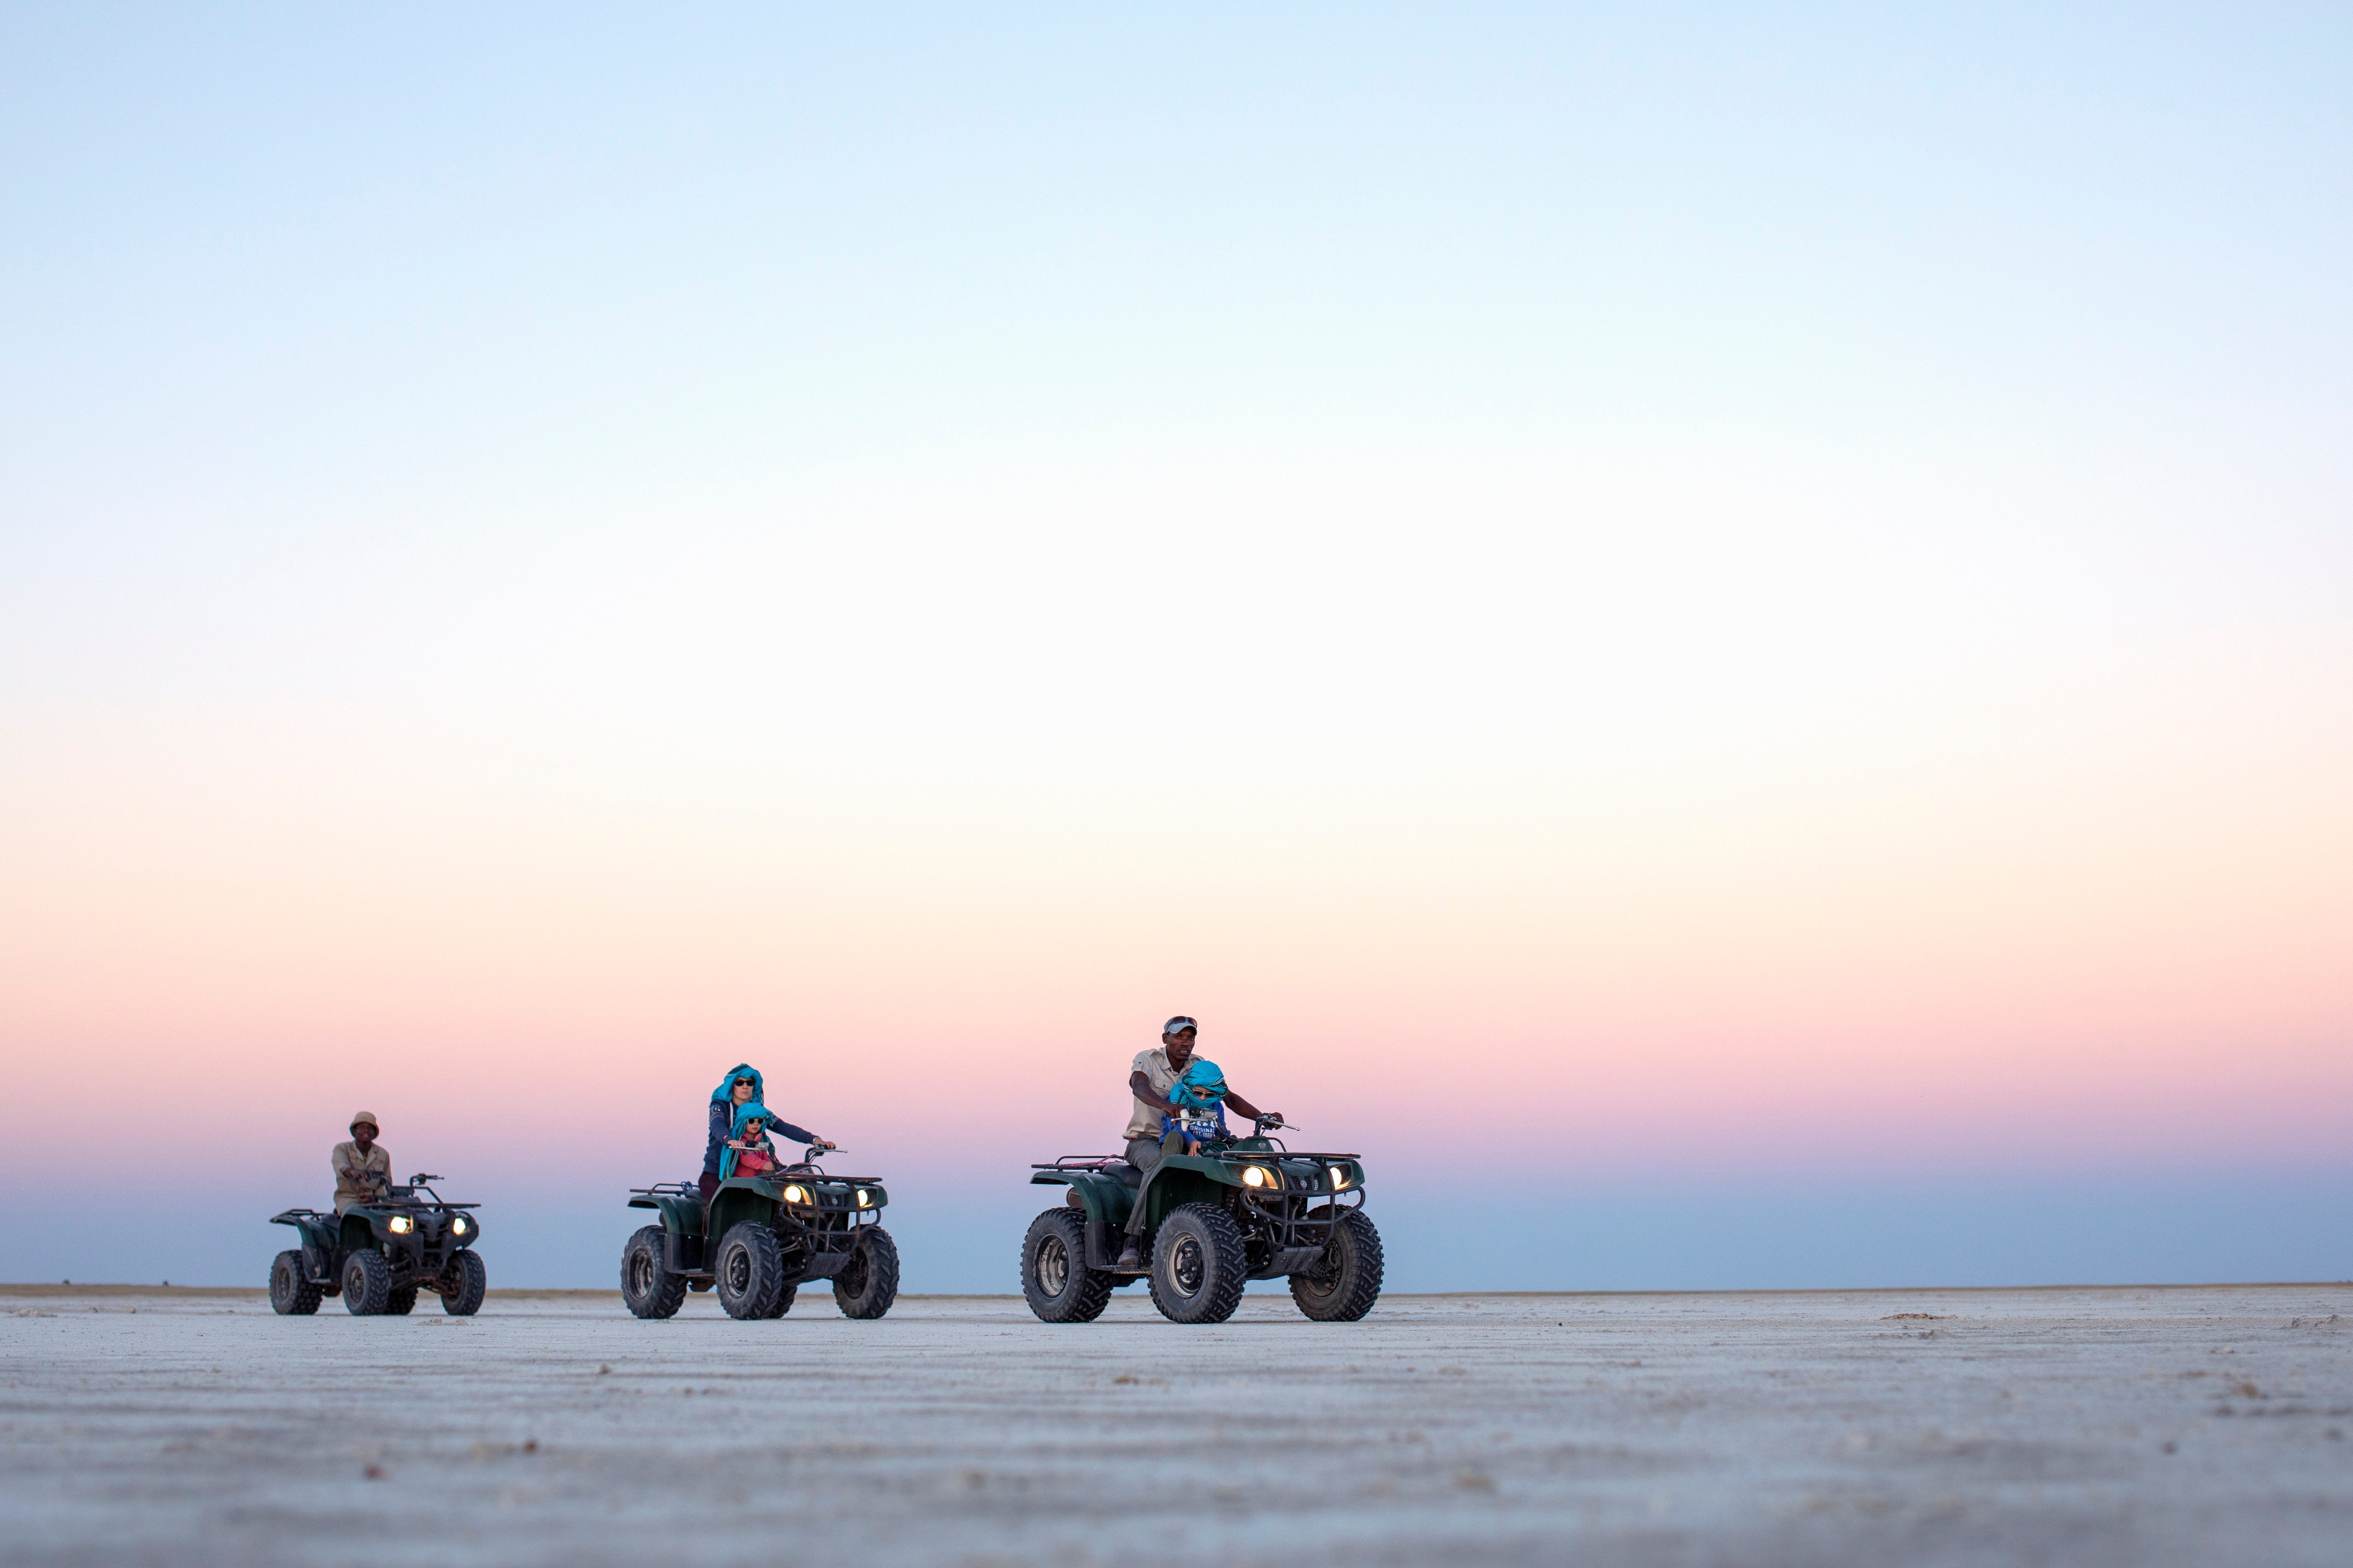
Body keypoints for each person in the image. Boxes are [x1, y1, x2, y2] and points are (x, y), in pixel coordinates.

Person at [1116, 1018, 1280, 1269]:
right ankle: (1133, 1240)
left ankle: (1245, 1228)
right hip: (1148, 1140)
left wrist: (1262, 1117)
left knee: (1237, 1161)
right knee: (1160, 1165)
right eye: (1178, 1037)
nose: (1185, 1042)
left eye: (1190, 1037)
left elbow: (1229, 1098)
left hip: (1196, 1138)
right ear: (1165, 1039)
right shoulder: (1148, 1060)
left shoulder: (1199, 1065)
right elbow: (1139, 1087)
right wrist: (1167, 1106)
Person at [701, 1064, 832, 1200]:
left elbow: (785, 1128)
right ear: (732, 1085)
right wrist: (729, 1139)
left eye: (750, 1083)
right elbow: (717, 1125)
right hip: (717, 1172)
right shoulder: (720, 1107)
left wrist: (814, 1140)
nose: (745, 1087)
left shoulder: (758, 1113)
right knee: (727, 1204)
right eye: (740, 1083)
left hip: (753, 1177)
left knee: (785, 1198)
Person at [1161, 1060, 1230, 1154]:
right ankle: (1171, 1164)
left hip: (1205, 1149)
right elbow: (1176, 1127)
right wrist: (1192, 1141)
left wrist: (1232, 1141)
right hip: (1181, 1147)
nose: (1203, 1098)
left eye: (1209, 1095)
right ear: (1191, 1087)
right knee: (1174, 1136)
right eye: (1198, 1093)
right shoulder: (1177, 1101)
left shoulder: (1216, 1106)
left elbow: (1221, 1131)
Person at [331, 1111, 392, 1216]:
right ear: (354, 1131)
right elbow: (341, 1166)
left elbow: (386, 1183)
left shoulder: (383, 1154)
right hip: (349, 1199)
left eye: (370, 1128)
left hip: (374, 1202)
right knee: (355, 1216)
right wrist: (352, 1172)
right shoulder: (343, 1149)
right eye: (362, 1127)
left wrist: (374, 1198)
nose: (366, 1130)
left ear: (374, 1133)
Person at [720, 1104, 781, 1179]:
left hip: (759, 1179)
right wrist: (764, 1165)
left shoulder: (763, 1140)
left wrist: (774, 1165)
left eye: (760, 1121)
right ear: (743, 1122)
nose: (756, 1124)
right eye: (751, 1121)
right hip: (742, 1181)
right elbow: (747, 1158)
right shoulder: (740, 1141)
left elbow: (767, 1155)